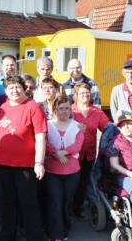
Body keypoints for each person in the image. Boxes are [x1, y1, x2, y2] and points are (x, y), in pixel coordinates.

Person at [0, 75, 46, 241]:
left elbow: (41, 136)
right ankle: (8, 237)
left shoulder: (33, 107)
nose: (14, 90)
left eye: (17, 87)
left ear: (24, 88)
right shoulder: (3, 108)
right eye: (10, 87)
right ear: (6, 90)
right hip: (3, 164)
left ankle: (34, 237)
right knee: (7, 203)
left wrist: (39, 162)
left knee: (28, 204)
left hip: (25, 165)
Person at [45, 96, 84, 241]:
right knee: (55, 202)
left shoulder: (78, 126)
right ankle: (57, 234)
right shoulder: (47, 125)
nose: (64, 111)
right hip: (52, 171)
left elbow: (78, 145)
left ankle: (65, 227)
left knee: (66, 202)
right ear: (55, 110)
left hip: (72, 172)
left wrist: (63, 152)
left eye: (67, 108)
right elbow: (45, 142)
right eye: (61, 108)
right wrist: (55, 153)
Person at [72, 82, 109, 219]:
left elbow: (108, 128)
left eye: (87, 93)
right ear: (76, 95)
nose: (85, 95)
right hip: (72, 154)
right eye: (82, 93)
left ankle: (77, 209)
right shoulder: (71, 111)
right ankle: (68, 208)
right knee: (72, 183)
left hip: (89, 154)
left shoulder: (96, 112)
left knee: (83, 182)